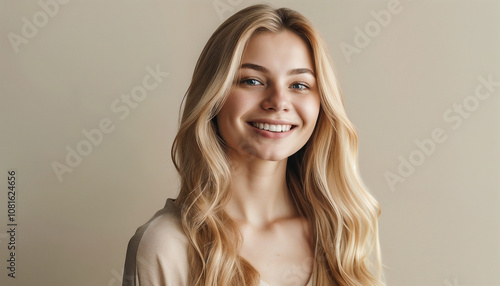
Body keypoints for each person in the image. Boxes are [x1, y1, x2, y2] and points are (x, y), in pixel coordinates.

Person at [123, 4, 384, 286]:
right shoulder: (165, 245)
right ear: (214, 95)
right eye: (252, 80)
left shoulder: (344, 232)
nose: (278, 102)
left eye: (298, 85)